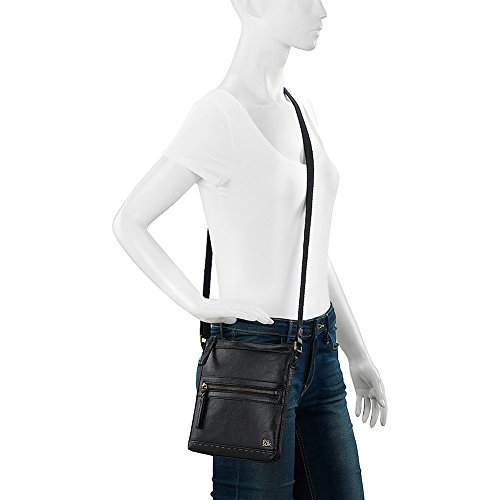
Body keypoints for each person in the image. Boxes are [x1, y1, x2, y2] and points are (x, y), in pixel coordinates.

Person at [113, 0, 388, 498]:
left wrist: (358, 352)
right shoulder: (218, 116)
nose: (321, 10)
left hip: (321, 352)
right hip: (253, 355)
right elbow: (130, 220)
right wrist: (198, 303)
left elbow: (310, 248)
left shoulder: (301, 111)